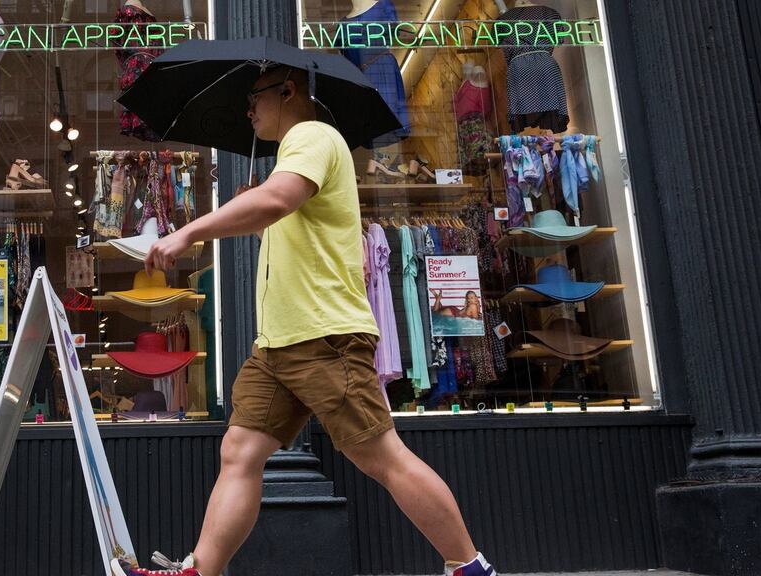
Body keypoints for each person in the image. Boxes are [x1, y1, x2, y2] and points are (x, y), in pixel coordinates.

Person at [115, 65, 497, 576]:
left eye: (253, 98)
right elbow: (282, 223)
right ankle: (198, 573)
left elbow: (276, 201)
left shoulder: (313, 136)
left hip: (324, 337)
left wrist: (189, 233)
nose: (247, 111)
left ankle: (470, 567)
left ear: (288, 91)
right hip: (279, 344)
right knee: (240, 452)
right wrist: (253, 204)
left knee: (380, 455)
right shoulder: (293, 158)